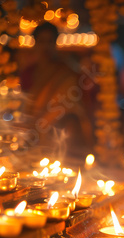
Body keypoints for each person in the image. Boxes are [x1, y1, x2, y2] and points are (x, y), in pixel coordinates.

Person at [19, 22, 93, 157]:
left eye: (50, 41)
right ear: (35, 43)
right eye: (42, 41)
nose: (46, 46)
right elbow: (25, 105)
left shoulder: (67, 72)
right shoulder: (28, 73)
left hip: (62, 131)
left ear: (56, 43)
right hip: (33, 130)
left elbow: (74, 106)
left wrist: (46, 120)